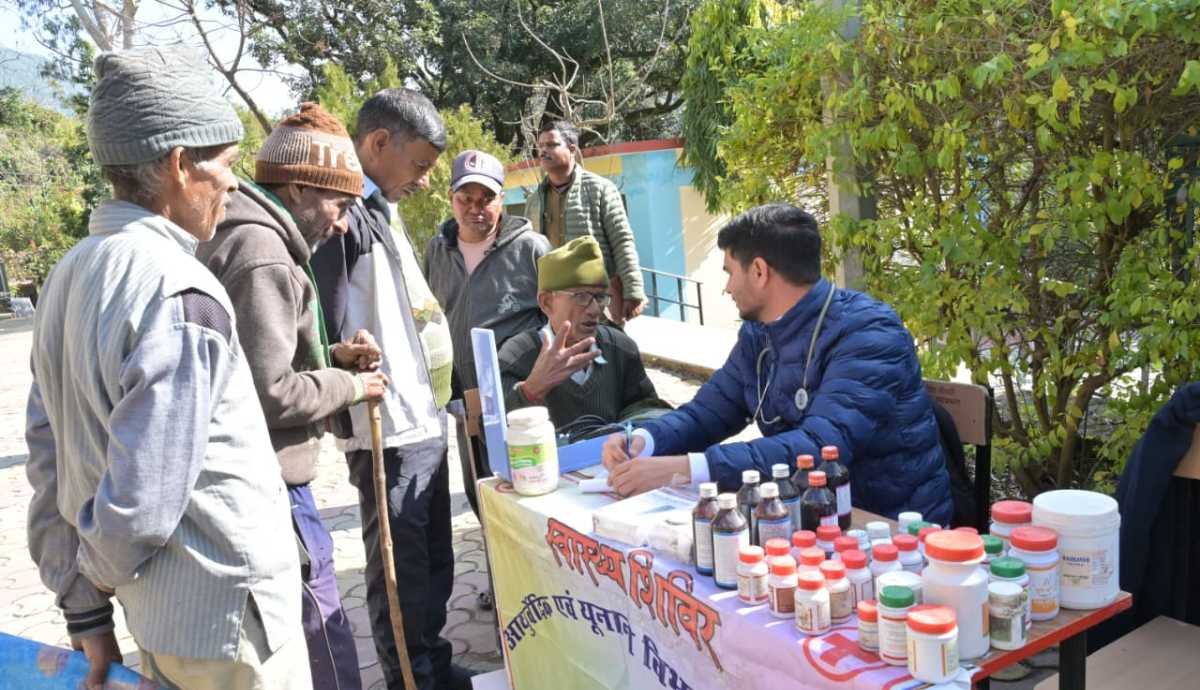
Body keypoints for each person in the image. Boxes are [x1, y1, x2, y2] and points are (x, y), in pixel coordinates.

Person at [25, 47, 310, 689]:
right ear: (181, 165)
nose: (234, 185)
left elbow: (49, 457)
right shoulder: (179, 289)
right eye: (227, 165)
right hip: (227, 627)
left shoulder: (67, 276)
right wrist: (96, 576)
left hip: (164, 621)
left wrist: (82, 602)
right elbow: (142, 502)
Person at [196, 102, 390, 690]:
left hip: (251, 483)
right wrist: (352, 385)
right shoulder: (262, 255)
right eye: (339, 206)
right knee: (321, 636)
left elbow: (257, 360)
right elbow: (271, 393)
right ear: (300, 189)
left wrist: (332, 357)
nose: (342, 225)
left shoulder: (247, 237)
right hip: (272, 486)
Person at [601, 203, 953, 524]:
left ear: (759, 271)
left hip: (890, 527)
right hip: (811, 513)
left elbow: (820, 448)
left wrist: (689, 469)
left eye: (729, 272)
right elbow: (707, 412)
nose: (727, 288)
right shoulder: (760, 333)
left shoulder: (869, 332)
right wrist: (645, 440)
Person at [310, 88, 472, 690]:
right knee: (401, 571)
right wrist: (340, 363)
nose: (427, 182)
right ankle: (411, 677)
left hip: (423, 418)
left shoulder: (383, 211)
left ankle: (432, 659)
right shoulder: (341, 217)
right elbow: (318, 325)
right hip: (387, 429)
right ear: (379, 143)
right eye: (420, 165)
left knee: (434, 559)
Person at [499, 236, 668, 434]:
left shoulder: (619, 347)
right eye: (581, 296)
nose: (595, 310)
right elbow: (492, 434)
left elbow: (647, 408)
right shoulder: (517, 355)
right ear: (546, 302)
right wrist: (531, 390)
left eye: (600, 297)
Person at [424, 149, 549, 394]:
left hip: (518, 390)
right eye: (465, 199)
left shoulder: (531, 248)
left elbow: (559, 318)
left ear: (501, 199)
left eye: (486, 199)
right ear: (450, 197)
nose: (475, 208)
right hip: (455, 392)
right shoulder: (437, 251)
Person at [524, 120, 645, 326]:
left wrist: (633, 290)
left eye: (551, 145)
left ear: (572, 149)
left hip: (597, 299)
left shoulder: (600, 189)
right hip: (554, 303)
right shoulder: (534, 201)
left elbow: (622, 241)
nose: (543, 151)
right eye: (540, 146)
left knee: (606, 344)